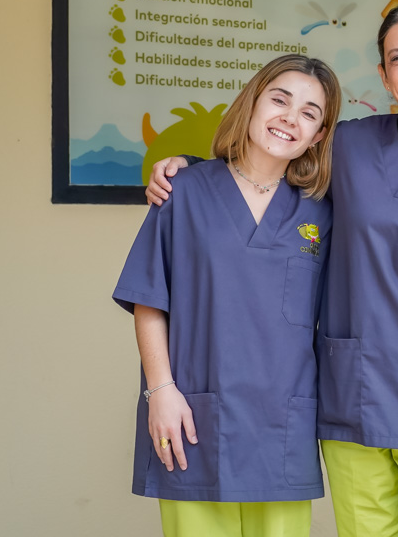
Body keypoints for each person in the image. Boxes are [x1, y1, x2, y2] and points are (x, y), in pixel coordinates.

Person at [148, 3, 398, 537]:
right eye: (397, 58)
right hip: (354, 394)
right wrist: (186, 171)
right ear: (383, 76)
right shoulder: (347, 144)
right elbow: (270, 162)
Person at [113, 54, 342, 537]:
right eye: (279, 99)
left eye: (309, 112)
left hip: (283, 423)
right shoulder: (185, 190)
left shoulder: (324, 210)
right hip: (193, 414)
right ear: (253, 101)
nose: (289, 118)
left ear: (319, 135)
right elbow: (148, 299)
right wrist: (160, 391)